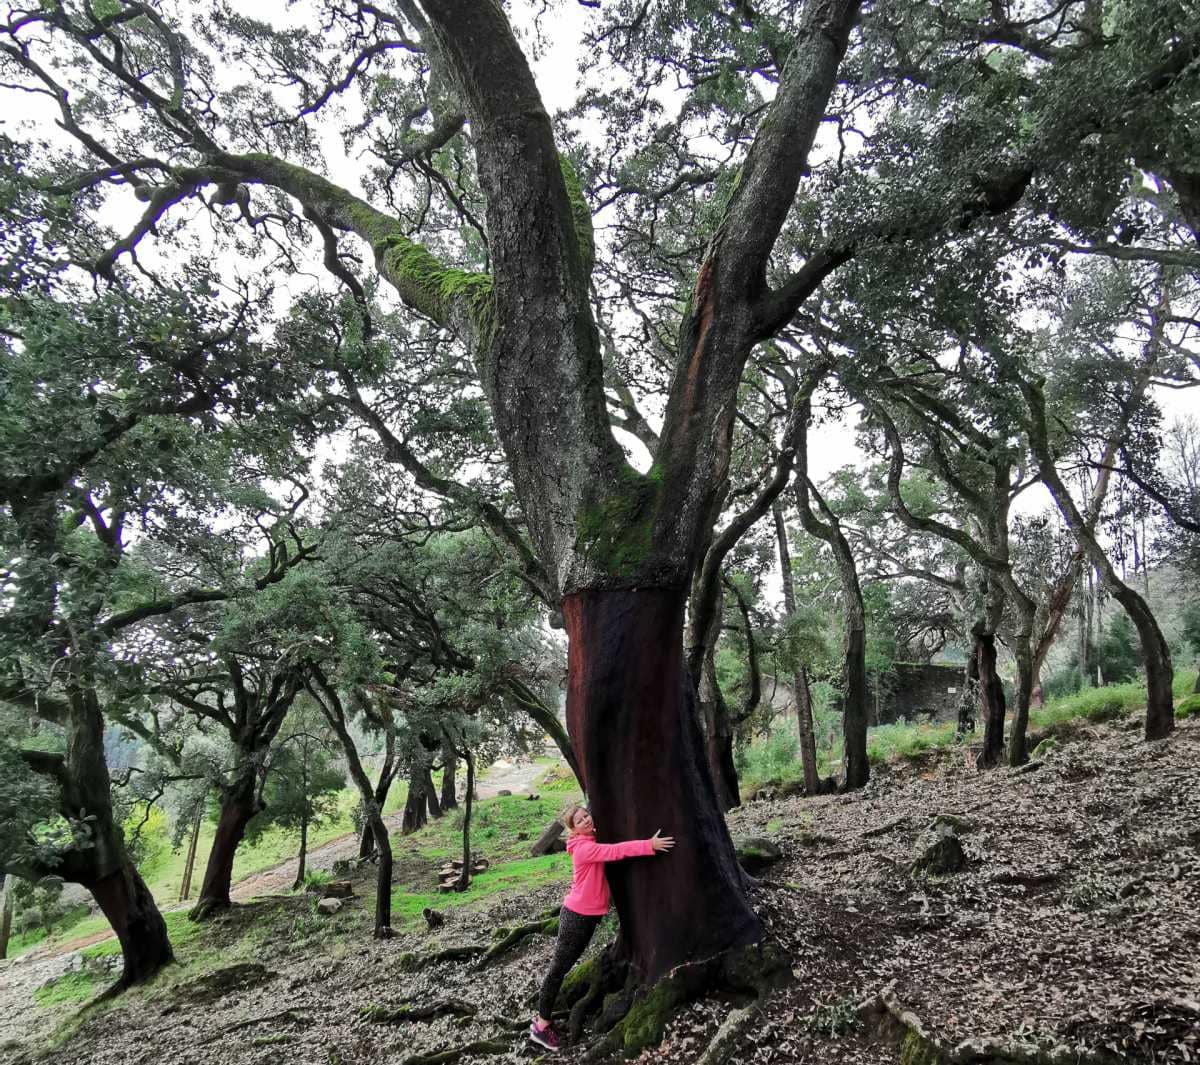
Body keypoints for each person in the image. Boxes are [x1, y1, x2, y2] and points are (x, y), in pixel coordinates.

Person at [529, 803, 674, 1052]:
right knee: (557, 970)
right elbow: (615, 851)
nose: (586, 820)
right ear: (573, 829)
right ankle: (541, 1027)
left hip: (583, 916)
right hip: (576, 918)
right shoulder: (584, 848)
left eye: (587, 815)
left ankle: (544, 1022)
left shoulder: (588, 838)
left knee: (559, 968)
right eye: (580, 820)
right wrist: (649, 845)